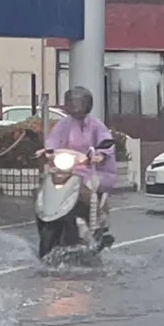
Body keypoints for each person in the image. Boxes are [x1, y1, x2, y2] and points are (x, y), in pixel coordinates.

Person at [41, 86, 118, 256]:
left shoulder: (96, 125)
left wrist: (101, 155)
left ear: (87, 104)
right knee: (46, 186)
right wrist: (47, 151)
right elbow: (53, 140)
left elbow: (106, 142)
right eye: (71, 102)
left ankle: (98, 222)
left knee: (86, 192)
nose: (75, 106)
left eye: (79, 102)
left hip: (90, 170)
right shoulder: (63, 124)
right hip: (67, 169)